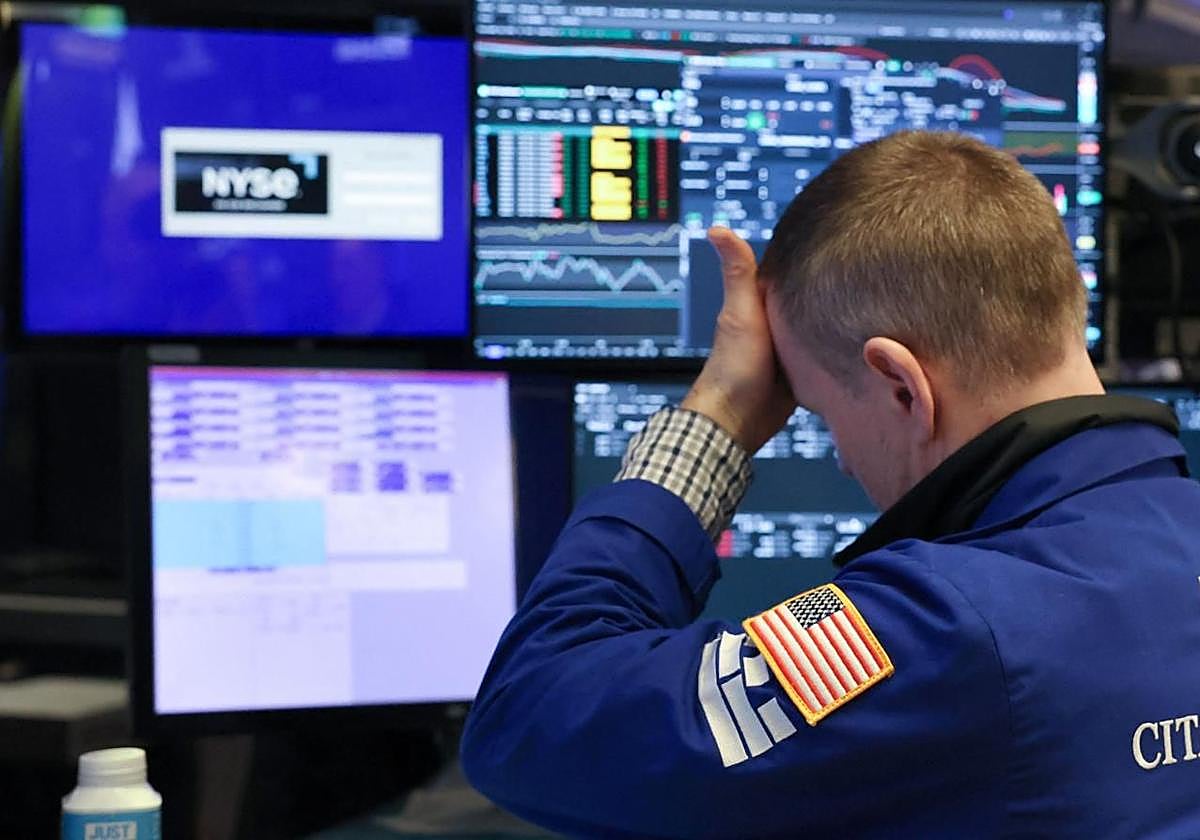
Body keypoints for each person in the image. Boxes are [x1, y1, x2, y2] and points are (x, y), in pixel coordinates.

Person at [459, 131, 1200, 838]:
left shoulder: (940, 625)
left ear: (901, 387)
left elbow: (529, 717)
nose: (842, 459)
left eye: (816, 410)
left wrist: (720, 415)